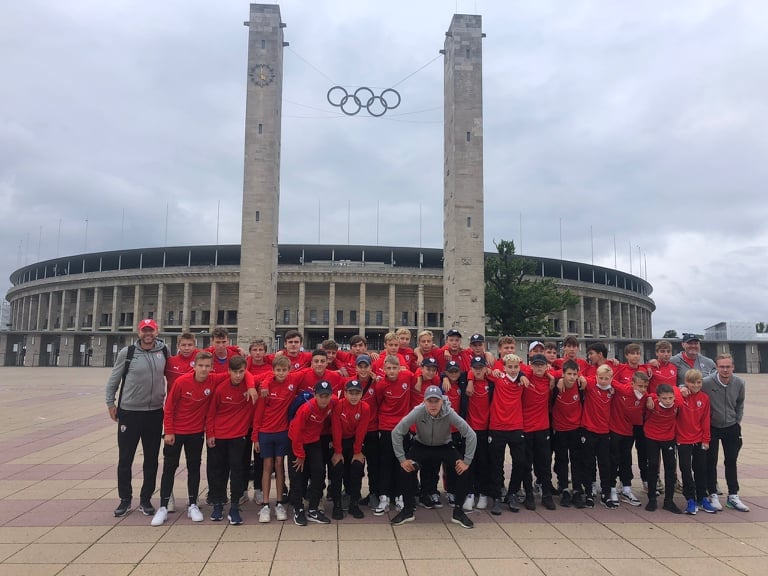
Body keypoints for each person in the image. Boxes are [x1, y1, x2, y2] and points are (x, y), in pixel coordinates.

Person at [105, 318, 168, 518]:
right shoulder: (128, 353)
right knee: (125, 458)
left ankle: (146, 499)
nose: (148, 334)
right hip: (130, 413)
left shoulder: (164, 352)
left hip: (155, 413)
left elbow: (175, 376)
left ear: (156, 331)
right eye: (144, 330)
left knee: (151, 459)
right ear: (139, 333)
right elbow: (113, 380)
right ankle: (125, 499)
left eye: (151, 330)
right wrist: (110, 403)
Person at [390, 385, 477, 529]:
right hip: (421, 445)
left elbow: (471, 434)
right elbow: (397, 432)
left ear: (442, 401)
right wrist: (402, 459)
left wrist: (466, 461)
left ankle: (458, 512)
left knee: (464, 470)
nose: (433, 405)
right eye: (430, 401)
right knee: (404, 470)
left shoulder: (449, 412)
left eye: (436, 401)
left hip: (444, 446)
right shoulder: (418, 411)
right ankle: (408, 510)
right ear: (424, 402)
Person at [151, 351, 217, 526]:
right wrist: (169, 431)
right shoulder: (181, 382)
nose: (203, 369)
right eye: (200, 365)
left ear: (212, 368)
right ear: (194, 366)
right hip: (176, 432)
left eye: (207, 366)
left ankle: (193, 504)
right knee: (169, 468)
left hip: (196, 433)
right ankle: (163, 506)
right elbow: (169, 407)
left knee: (194, 467)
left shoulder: (213, 380)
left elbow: (240, 371)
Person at [205, 356, 255, 525]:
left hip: (238, 436)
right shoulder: (220, 389)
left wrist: (251, 386)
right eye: (235, 372)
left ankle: (234, 506)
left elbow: (270, 375)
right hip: (219, 436)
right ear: (228, 372)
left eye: (241, 372)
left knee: (237, 471)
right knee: (219, 471)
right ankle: (218, 503)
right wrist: (210, 434)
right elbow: (211, 413)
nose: (238, 375)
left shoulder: (250, 386)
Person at [700, 353, 748, 512]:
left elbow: (740, 403)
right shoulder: (706, 383)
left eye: (728, 367)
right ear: (717, 367)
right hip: (712, 426)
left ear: (733, 367)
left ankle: (733, 495)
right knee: (710, 460)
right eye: (722, 367)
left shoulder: (739, 383)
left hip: (731, 426)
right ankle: (712, 493)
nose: (725, 370)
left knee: (731, 461)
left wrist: (737, 420)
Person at [252, 355, 296, 523]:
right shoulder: (266, 388)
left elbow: (307, 370)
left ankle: (279, 503)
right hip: (265, 432)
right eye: (278, 370)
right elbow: (258, 414)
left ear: (289, 370)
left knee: (279, 465)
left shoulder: (291, 383)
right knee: (267, 466)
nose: (281, 373)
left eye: (284, 370)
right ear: (273, 370)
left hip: (282, 432)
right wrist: (255, 437)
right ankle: (265, 504)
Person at [288, 380, 336, 526]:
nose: (324, 399)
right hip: (298, 442)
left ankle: (313, 509)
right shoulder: (306, 409)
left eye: (327, 396)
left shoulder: (331, 404)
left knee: (319, 472)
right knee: (297, 474)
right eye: (321, 395)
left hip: (314, 441)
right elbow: (296, 433)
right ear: (315, 395)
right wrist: (300, 455)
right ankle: (298, 509)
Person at [372, 355, 415, 515]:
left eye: (394, 368)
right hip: (386, 427)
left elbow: (419, 374)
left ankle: (400, 496)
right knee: (386, 463)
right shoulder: (381, 385)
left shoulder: (407, 376)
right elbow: (379, 402)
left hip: (403, 427)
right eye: (388, 368)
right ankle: (384, 497)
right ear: (384, 369)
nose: (391, 371)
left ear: (399, 368)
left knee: (402, 463)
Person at [488, 353, 528, 514]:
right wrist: (493, 372)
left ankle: (512, 493)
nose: (513, 370)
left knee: (520, 462)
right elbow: (483, 370)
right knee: (496, 464)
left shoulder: (522, 379)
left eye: (516, 367)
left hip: (516, 426)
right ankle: (497, 496)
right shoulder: (498, 377)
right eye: (509, 367)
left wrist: (523, 374)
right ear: (504, 367)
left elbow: (538, 370)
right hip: (497, 426)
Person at [676, 369, 716, 514]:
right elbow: (669, 393)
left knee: (700, 469)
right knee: (685, 469)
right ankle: (690, 499)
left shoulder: (704, 398)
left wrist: (706, 439)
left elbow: (706, 420)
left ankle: (702, 498)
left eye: (699, 382)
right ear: (686, 382)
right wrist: (680, 389)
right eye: (692, 382)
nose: (696, 385)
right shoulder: (681, 396)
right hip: (682, 440)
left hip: (699, 440)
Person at [330, 379, 371, 519]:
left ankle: (354, 503)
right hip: (339, 441)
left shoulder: (365, 407)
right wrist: (337, 451)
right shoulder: (338, 406)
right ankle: (337, 504)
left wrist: (357, 451)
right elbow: (336, 429)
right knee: (337, 467)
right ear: (345, 393)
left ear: (361, 394)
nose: (354, 396)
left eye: (357, 393)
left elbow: (361, 431)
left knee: (357, 466)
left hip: (355, 441)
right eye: (351, 393)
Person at [644, 383, 682, 514]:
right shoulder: (652, 404)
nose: (668, 401)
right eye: (664, 398)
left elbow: (678, 390)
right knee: (653, 465)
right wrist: (650, 396)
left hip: (669, 438)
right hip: (652, 437)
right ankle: (652, 498)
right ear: (658, 398)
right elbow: (645, 395)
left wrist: (682, 390)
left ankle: (669, 501)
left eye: (670, 398)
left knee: (670, 468)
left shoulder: (677, 404)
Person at [551, 360, 584, 508]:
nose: (572, 377)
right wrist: (558, 380)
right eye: (569, 374)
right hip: (559, 429)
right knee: (561, 460)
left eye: (574, 374)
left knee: (577, 460)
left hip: (576, 428)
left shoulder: (580, 386)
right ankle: (564, 488)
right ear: (563, 374)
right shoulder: (556, 387)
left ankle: (577, 489)